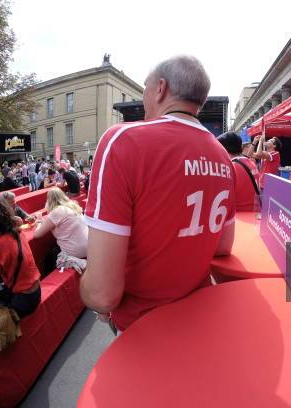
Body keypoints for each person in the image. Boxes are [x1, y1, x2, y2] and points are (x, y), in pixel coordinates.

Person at [81, 55, 235, 332]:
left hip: (142, 327)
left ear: (160, 89)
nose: (143, 101)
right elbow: (223, 246)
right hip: (197, 313)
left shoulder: (123, 141)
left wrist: (85, 282)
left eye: (144, 89)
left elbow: (102, 295)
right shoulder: (223, 157)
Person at [33, 187, 87, 259]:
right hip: (89, 247)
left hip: (76, 252)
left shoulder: (57, 211)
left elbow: (37, 234)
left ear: (49, 200)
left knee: (48, 257)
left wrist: (39, 222)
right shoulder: (73, 205)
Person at [217, 131, 260, 212]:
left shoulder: (231, 167)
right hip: (253, 212)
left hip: (239, 214)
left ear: (223, 148)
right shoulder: (250, 162)